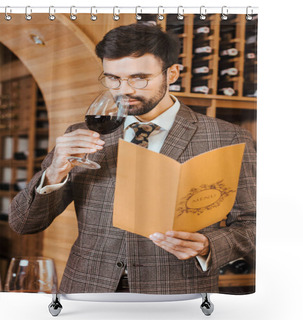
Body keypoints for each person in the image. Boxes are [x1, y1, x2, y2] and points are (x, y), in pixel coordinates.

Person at [9, 23, 256, 294]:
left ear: (172, 73)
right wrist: (55, 172)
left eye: (139, 78)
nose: (124, 90)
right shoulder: (80, 135)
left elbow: (254, 224)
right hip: (88, 290)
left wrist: (209, 245)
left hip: (176, 292)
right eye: (113, 78)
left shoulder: (227, 137)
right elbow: (23, 223)